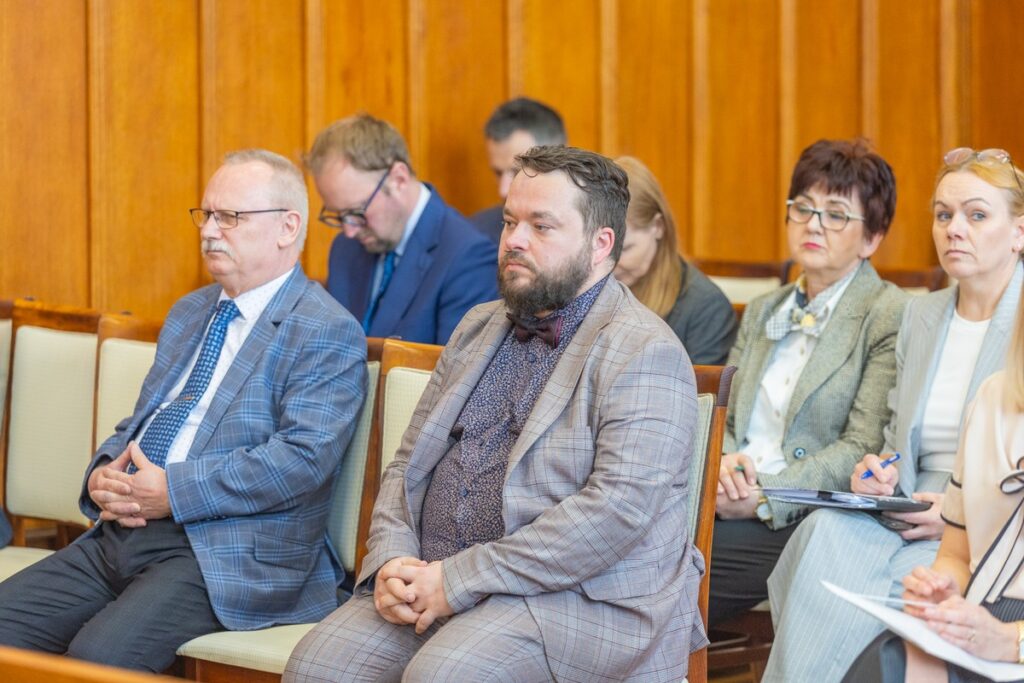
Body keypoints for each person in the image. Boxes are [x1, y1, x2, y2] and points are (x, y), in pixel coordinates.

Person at [285, 146, 707, 682]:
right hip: (435, 577)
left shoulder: (646, 350)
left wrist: (458, 580)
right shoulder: (478, 325)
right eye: (510, 222)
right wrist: (392, 560)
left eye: (541, 226)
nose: (514, 240)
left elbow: (613, 515)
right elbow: (406, 465)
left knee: (445, 677)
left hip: (576, 601)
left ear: (601, 244)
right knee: (316, 667)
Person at [0, 149, 368, 672]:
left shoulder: (325, 328)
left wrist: (173, 491)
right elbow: (139, 423)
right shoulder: (191, 311)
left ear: (288, 227)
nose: (210, 231)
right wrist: (104, 474)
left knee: (96, 660)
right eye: (206, 214)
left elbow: (301, 461)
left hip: (229, 553)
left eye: (230, 217)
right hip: (124, 531)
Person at [764, 148, 1024, 682]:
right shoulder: (920, 314)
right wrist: (877, 473)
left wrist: (956, 512)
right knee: (823, 534)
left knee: (897, 590)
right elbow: (895, 440)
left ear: (1019, 232)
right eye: (943, 214)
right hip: (905, 507)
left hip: (985, 523)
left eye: (976, 215)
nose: (954, 229)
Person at [709, 138, 908, 626]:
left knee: (669, 566)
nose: (813, 224)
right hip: (727, 498)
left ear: (872, 238)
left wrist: (764, 496)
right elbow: (725, 417)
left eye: (836, 214)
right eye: (803, 207)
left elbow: (860, 445)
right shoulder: (764, 309)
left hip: (804, 514)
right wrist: (724, 466)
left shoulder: (888, 313)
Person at [308, 113, 497, 345]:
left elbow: (455, 366)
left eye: (357, 212)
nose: (349, 231)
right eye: (339, 216)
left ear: (398, 179)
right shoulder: (345, 249)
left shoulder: (467, 256)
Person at [613, 156, 737, 364]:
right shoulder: (581, 289)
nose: (610, 264)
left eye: (624, 249)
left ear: (658, 227)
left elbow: (702, 386)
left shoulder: (706, 308)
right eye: (601, 249)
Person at [470, 97, 567, 242]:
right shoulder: (476, 234)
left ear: (558, 161)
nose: (503, 191)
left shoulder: (592, 229)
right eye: (498, 173)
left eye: (518, 172)